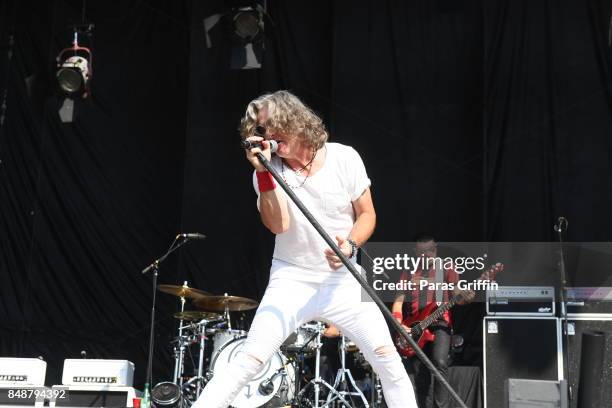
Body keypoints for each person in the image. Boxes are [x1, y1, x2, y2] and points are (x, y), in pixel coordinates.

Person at [192, 90, 417, 408]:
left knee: (387, 360)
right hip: (292, 279)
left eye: (271, 125)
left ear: (296, 121)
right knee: (248, 361)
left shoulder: (343, 157)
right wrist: (263, 174)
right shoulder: (270, 171)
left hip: (343, 281)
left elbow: (367, 214)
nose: (267, 135)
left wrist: (350, 243)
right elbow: (278, 225)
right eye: (259, 130)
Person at [391, 234, 474, 408]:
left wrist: (466, 297)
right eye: (422, 252)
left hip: (440, 323)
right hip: (415, 327)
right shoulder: (408, 272)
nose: (427, 255)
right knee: (420, 373)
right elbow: (398, 302)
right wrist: (400, 326)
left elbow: (457, 293)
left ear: (436, 248)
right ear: (416, 252)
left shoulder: (447, 268)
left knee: (440, 363)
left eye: (431, 250)